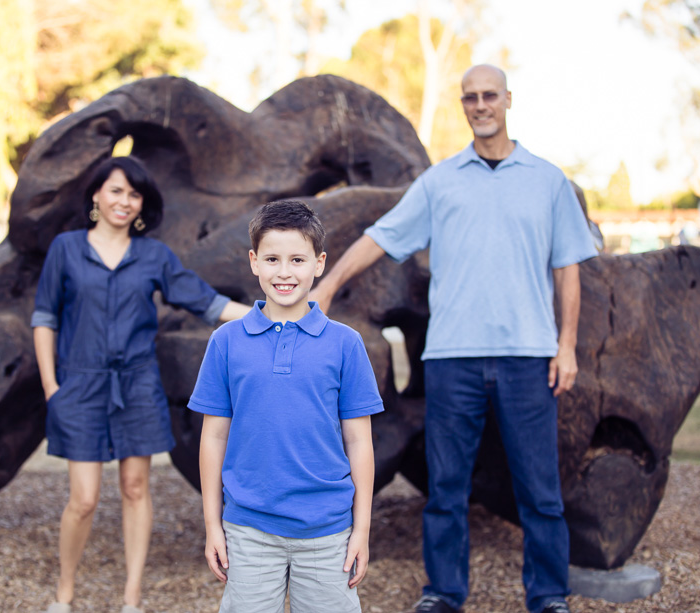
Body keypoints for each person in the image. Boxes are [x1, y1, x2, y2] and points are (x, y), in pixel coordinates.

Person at [311, 65, 598, 613]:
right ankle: (443, 592)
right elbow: (381, 237)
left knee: (540, 489)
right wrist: (328, 286)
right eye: (471, 97)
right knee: (446, 490)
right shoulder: (441, 182)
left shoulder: (547, 180)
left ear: (509, 99)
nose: (481, 104)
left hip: (528, 358)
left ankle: (549, 595)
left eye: (490, 95)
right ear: (463, 105)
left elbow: (568, 269)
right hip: (451, 358)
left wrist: (567, 345)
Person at [32, 155, 250, 613]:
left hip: (137, 386)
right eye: (115, 191)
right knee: (84, 499)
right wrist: (52, 386)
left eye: (134, 195)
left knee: (135, 487)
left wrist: (270, 314)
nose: (124, 202)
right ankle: (64, 593)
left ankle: (131, 599)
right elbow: (45, 318)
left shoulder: (154, 256)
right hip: (80, 386)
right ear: (96, 194)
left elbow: (205, 302)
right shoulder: (66, 249)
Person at [188, 200, 384, 613]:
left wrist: (361, 528)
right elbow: (213, 437)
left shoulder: (345, 344)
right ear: (254, 262)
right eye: (273, 259)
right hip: (249, 528)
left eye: (297, 259)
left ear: (319, 263)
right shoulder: (226, 342)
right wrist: (213, 525)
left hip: (328, 531)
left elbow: (360, 442)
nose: (284, 271)